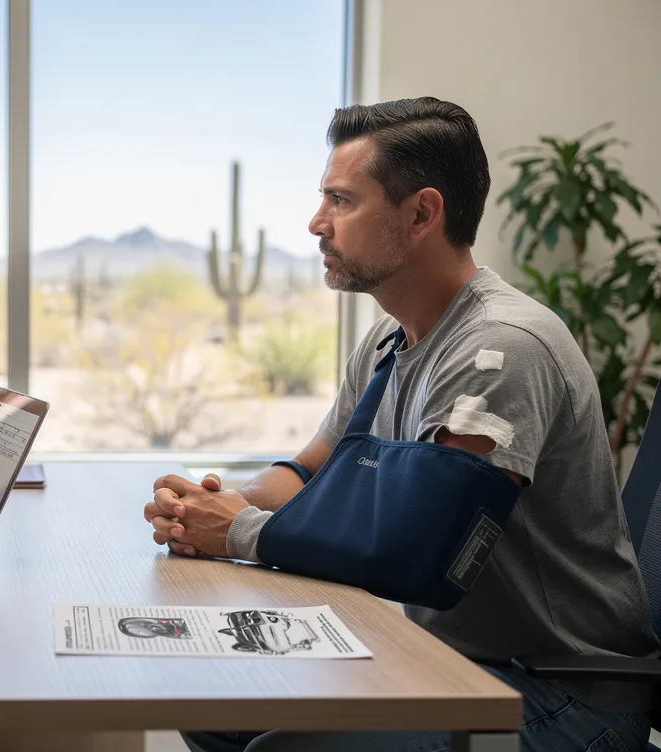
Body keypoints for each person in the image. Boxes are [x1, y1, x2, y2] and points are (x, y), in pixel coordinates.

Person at [144, 98, 657, 752]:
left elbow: (423, 553)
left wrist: (239, 532)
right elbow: (308, 472)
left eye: (341, 201)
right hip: (451, 662)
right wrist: (220, 503)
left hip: (560, 698)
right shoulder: (392, 338)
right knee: (218, 707)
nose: (315, 223)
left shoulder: (502, 350)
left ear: (421, 214)